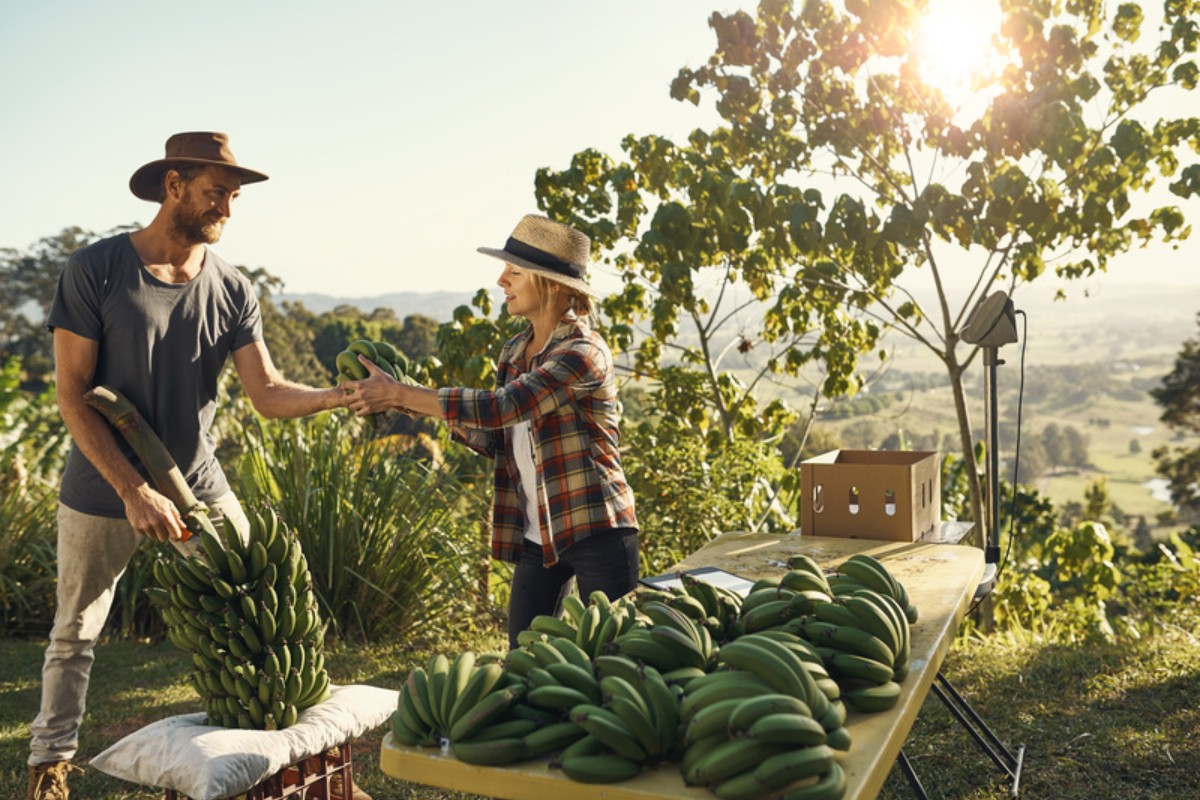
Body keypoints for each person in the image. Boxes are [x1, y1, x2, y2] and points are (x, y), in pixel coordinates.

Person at [27, 132, 369, 800]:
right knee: (76, 632)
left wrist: (341, 395)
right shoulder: (95, 269)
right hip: (102, 484)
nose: (228, 210)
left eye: (234, 197)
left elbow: (267, 393)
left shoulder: (233, 287)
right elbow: (74, 394)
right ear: (173, 184)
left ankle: (306, 765)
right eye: (218, 193)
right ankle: (49, 763)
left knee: (263, 610)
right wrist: (131, 489)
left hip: (197, 485)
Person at [345, 214, 640, 650]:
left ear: (553, 285)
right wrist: (403, 399)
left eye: (515, 272)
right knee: (525, 656)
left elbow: (504, 407)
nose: (502, 280)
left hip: (596, 526)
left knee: (617, 653)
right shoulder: (515, 351)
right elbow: (496, 436)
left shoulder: (583, 352)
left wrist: (402, 393)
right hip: (537, 533)